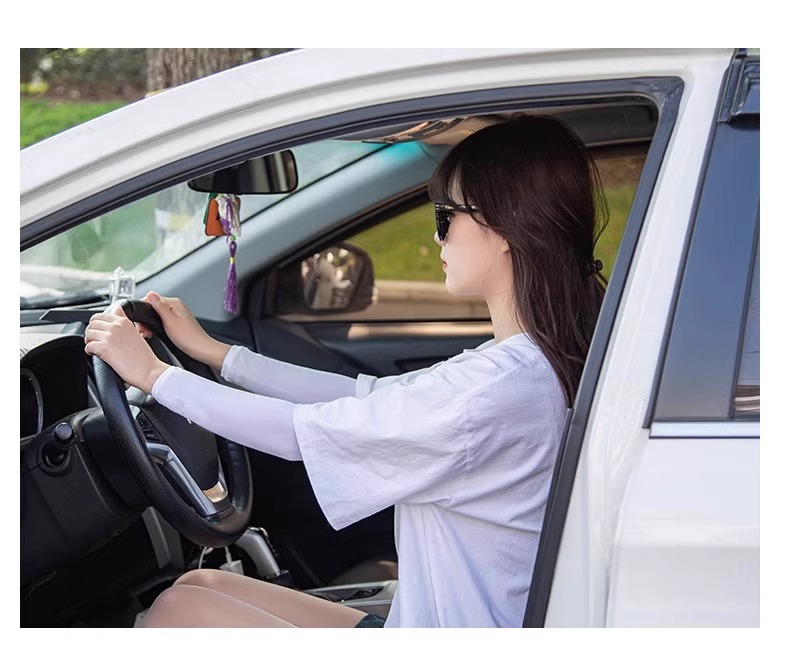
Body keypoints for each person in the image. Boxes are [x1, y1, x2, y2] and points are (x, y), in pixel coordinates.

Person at [84, 114, 609, 628]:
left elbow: (298, 434)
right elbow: (368, 396)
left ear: (505, 226)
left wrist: (154, 376)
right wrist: (218, 354)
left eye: (446, 216)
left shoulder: (491, 390)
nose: (437, 238)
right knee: (201, 585)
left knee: (178, 612)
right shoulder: (530, 364)